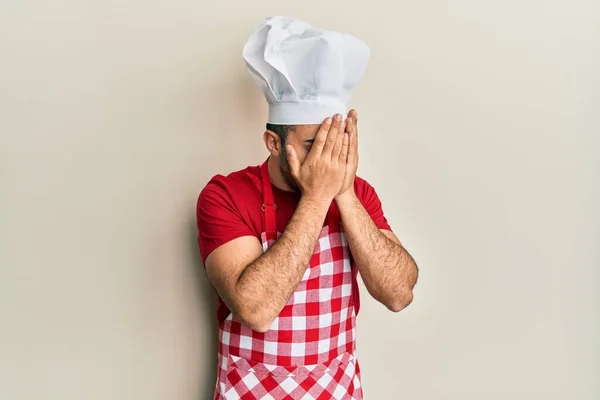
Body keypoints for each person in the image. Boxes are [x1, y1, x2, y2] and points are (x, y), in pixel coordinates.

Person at [196, 16, 418, 400]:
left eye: (339, 142)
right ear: (274, 143)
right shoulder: (225, 195)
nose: (330, 158)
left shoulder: (358, 193)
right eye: (316, 144)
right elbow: (256, 309)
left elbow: (399, 294)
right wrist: (317, 198)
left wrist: (344, 194)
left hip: (337, 390)